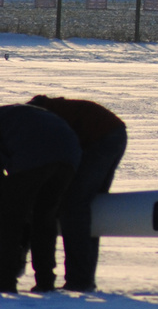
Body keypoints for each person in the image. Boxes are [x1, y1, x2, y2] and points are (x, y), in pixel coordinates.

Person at [26, 95, 127, 292]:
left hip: (103, 137)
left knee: (74, 207)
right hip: (107, 133)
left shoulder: (37, 124)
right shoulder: (35, 119)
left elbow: (55, 160)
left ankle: (80, 280)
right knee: (85, 207)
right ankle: (83, 278)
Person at [0, 103, 82, 293]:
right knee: (44, 219)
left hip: (34, 155)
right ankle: (45, 281)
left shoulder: (10, 119)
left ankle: (5, 281)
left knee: (10, 220)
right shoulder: (14, 115)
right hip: (69, 156)